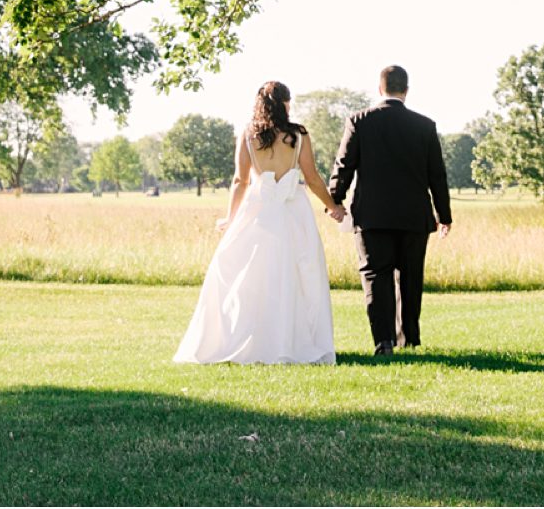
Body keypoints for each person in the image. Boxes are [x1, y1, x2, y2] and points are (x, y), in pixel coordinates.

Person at [173, 82, 343, 364]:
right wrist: (333, 206)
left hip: (258, 213)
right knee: (297, 276)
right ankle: (290, 342)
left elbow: (240, 181)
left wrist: (231, 218)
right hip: (293, 215)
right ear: (287, 103)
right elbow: (312, 178)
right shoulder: (298, 135)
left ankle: (248, 340)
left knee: (247, 276)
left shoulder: (249, 133)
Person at [327, 65, 452, 355]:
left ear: (379, 88)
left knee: (375, 276)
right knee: (410, 277)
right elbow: (438, 176)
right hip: (413, 216)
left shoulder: (359, 121)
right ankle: (409, 338)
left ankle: (383, 341)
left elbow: (344, 164)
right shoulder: (425, 126)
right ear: (406, 91)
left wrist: (335, 199)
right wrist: (444, 216)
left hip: (372, 215)